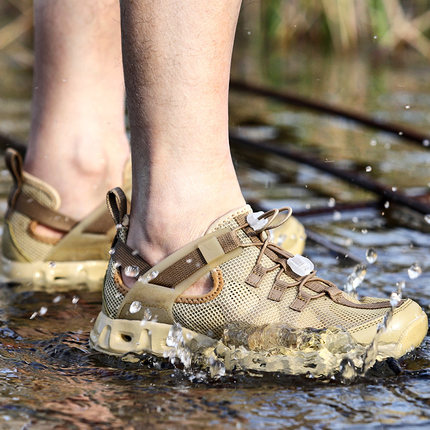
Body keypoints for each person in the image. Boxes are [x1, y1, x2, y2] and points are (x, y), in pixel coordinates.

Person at [2, 0, 427, 359]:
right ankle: (178, 226)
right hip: (178, 256)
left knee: (80, 162)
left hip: (72, 199)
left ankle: (76, 170)